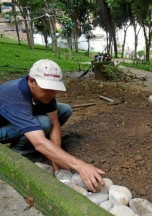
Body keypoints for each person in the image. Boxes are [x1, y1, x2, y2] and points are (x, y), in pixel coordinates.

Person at [0, 59, 105, 192]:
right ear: (32, 81)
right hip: (1, 128)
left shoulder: (45, 92)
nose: (52, 94)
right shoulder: (15, 96)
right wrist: (80, 166)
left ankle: (43, 147)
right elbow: (39, 142)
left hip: (18, 115)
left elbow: (55, 123)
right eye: (47, 89)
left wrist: (56, 159)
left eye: (54, 89)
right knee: (43, 122)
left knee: (64, 109)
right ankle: (20, 152)